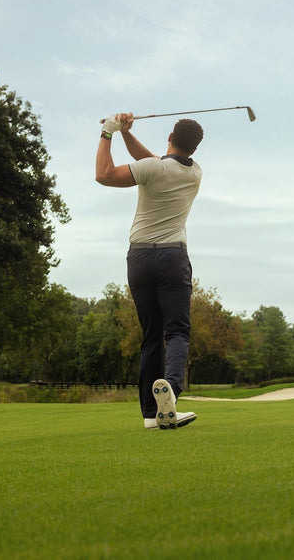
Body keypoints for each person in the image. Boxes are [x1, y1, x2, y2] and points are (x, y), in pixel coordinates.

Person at [95, 113, 204, 430]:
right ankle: (170, 389)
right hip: (172, 258)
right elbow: (156, 161)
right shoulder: (195, 172)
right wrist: (127, 133)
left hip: (139, 258)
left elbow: (103, 174)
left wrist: (108, 133)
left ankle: (150, 415)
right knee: (178, 332)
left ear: (170, 135)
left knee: (152, 336)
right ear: (194, 148)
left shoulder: (153, 168)